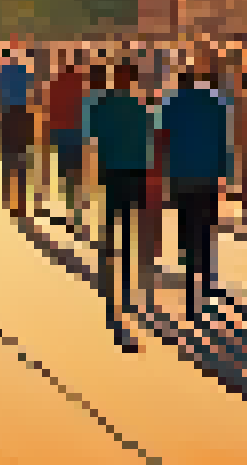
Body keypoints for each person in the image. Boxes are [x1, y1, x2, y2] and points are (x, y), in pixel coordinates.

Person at [85, 59, 154, 347]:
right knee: (128, 220)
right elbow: (147, 141)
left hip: (111, 167)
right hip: (133, 169)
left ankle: (108, 262)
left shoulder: (104, 104)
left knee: (111, 216)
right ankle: (123, 270)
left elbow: (94, 135)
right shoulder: (141, 108)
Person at [158, 68, 229, 315]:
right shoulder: (213, 103)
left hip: (181, 175)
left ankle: (190, 289)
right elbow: (223, 139)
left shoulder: (170, 104)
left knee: (186, 227)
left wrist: (162, 172)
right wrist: (224, 171)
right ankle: (208, 281)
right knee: (207, 227)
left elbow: (162, 140)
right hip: (208, 174)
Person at [47, 50, 91, 224]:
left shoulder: (58, 81)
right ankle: (77, 211)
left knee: (68, 174)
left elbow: (52, 108)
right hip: (77, 131)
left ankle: (74, 213)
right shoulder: (82, 82)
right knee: (76, 173)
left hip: (65, 132)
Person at [0, 47, 36, 219]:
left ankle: (8, 196)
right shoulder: (26, 71)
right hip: (22, 115)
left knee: (8, 157)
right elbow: (33, 96)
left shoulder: (3, 73)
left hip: (7, 116)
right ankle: (20, 200)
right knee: (20, 158)